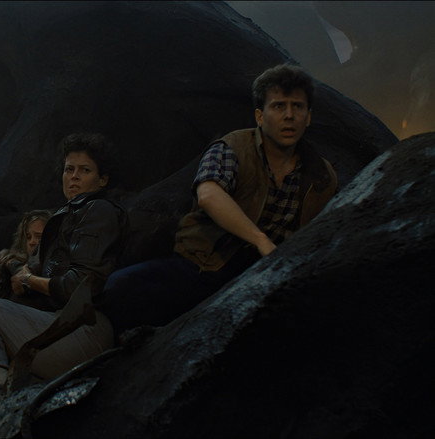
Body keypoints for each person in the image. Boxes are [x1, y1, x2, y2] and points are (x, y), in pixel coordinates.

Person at [100, 64, 338, 334]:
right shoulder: (233, 147)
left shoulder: (322, 175)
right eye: (278, 106)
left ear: (309, 117)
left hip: (270, 275)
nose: (289, 116)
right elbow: (209, 194)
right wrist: (260, 240)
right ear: (260, 116)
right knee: (121, 287)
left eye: (298, 107)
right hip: (205, 265)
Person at [0, 133, 128, 387]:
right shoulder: (68, 215)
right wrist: (10, 260)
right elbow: (31, 271)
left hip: (81, 328)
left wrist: (29, 279)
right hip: (58, 326)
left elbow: (78, 285)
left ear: (103, 179)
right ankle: (5, 393)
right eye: (69, 169)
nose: (74, 176)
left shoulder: (98, 210)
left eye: (85, 170)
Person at [0, 209, 52, 305]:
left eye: (39, 237)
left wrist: (11, 263)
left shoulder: (50, 272)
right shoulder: (17, 261)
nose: (32, 242)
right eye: (28, 237)